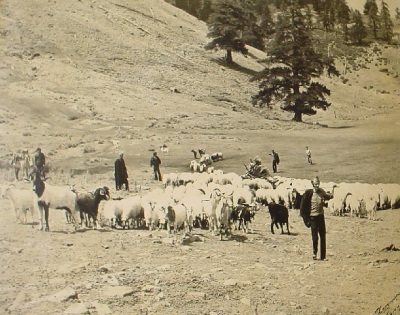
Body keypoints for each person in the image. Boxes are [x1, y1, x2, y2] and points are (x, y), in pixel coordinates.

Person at [300, 176, 334, 261]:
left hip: (320, 216)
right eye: (315, 184)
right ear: (312, 184)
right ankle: (314, 253)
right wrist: (305, 217)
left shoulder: (321, 191)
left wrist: (333, 191)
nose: (317, 186)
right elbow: (303, 206)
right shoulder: (309, 194)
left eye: (318, 184)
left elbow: (328, 197)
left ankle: (323, 256)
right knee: (315, 237)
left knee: (323, 236)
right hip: (313, 217)